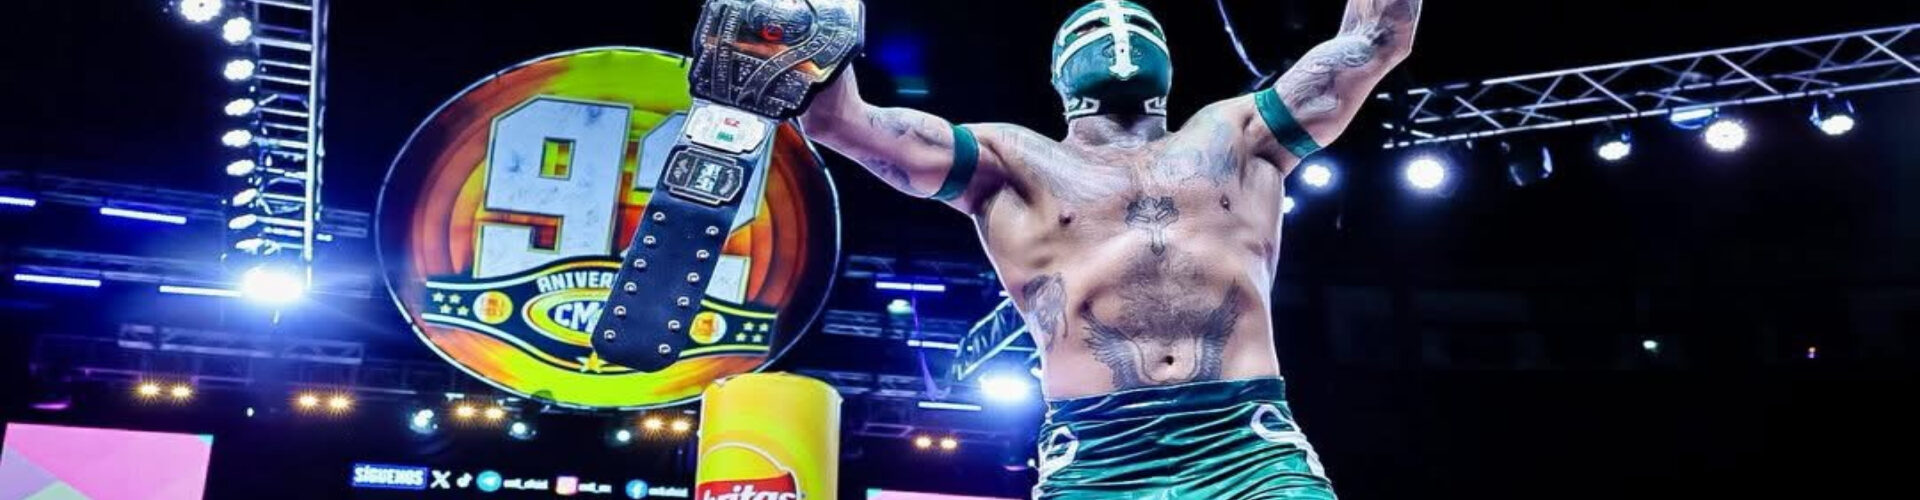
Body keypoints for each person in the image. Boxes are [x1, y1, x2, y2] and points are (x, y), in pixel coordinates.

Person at [799, 0, 1420, 497]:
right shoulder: (1009, 161)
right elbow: (838, 121)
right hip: (1099, 453)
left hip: (1244, 445)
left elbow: (1375, 38)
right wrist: (817, 26)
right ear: (1057, 71)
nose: (1119, 32)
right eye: (1095, 25)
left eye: (1139, 22)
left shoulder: (1239, 134)